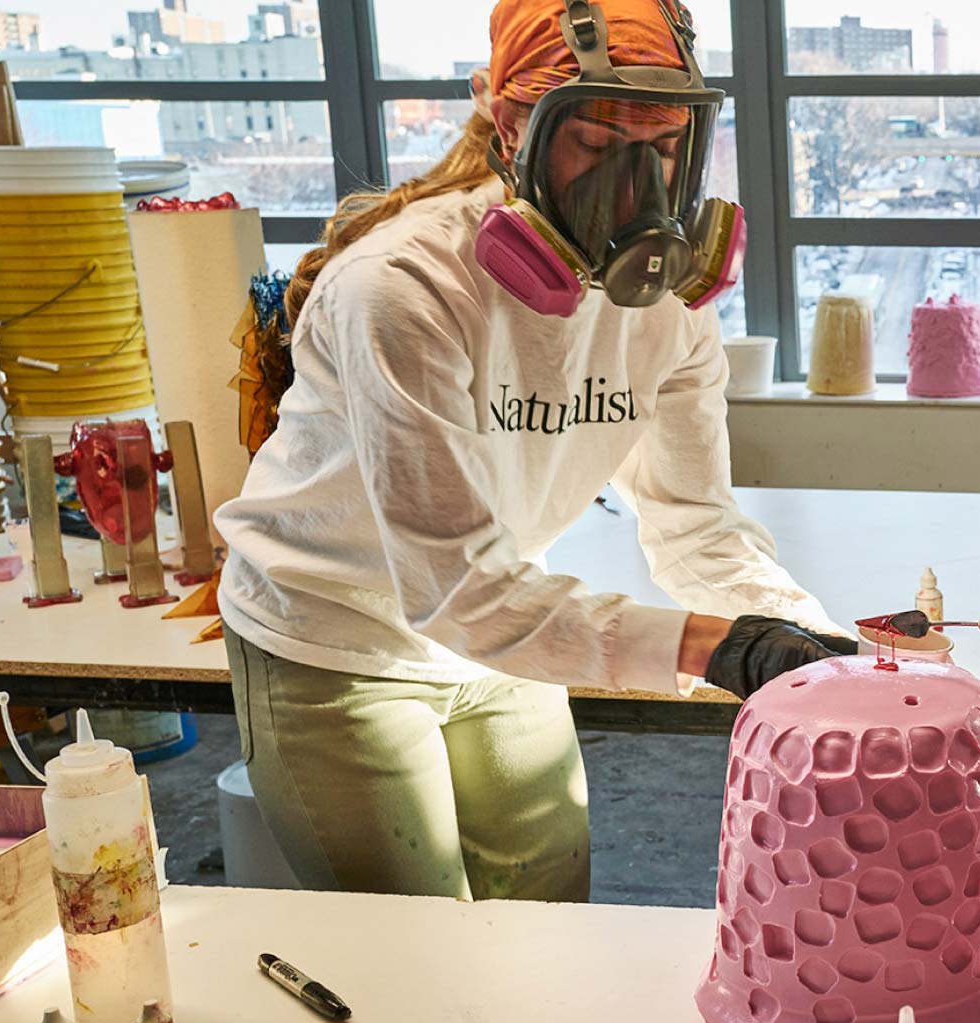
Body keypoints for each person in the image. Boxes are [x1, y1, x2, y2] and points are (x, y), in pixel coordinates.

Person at [212, 0, 850, 904]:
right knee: (427, 953)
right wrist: (713, 649)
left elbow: (696, 527)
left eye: (664, 144)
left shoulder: (671, 306)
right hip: (336, 635)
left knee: (550, 922)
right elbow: (453, 585)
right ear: (507, 122)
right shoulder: (402, 291)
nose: (636, 190)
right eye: (594, 144)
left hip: (505, 624)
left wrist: (813, 644)